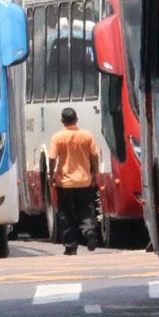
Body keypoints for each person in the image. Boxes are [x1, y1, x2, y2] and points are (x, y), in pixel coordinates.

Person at [49, 106, 101, 254]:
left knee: (66, 214)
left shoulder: (57, 137)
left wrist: (51, 175)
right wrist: (95, 173)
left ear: (62, 121)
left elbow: (52, 158)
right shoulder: (87, 136)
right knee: (85, 209)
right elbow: (95, 155)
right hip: (84, 181)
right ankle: (89, 231)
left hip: (65, 183)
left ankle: (70, 246)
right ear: (76, 119)